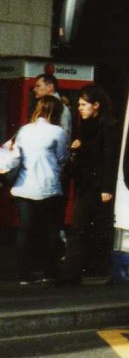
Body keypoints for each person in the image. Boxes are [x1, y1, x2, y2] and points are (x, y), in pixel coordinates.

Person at [61, 84, 119, 284]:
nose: (80, 108)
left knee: (85, 228)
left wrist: (107, 188)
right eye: (79, 104)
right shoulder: (85, 125)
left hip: (97, 187)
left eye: (84, 104)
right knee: (82, 228)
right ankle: (77, 271)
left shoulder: (107, 126)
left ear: (96, 105)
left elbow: (109, 158)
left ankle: (75, 272)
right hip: (85, 184)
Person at [10, 95, 69, 284]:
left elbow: (16, 155)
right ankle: (49, 272)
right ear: (56, 113)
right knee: (50, 229)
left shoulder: (24, 130)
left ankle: (23, 274)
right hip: (48, 187)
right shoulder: (58, 132)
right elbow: (62, 158)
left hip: (23, 186)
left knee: (25, 230)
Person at [33, 72, 72, 142]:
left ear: (50, 87)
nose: (34, 89)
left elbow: (63, 135)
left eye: (38, 86)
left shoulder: (61, 108)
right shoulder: (44, 105)